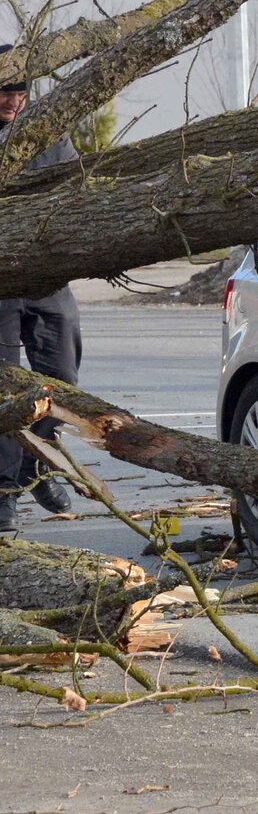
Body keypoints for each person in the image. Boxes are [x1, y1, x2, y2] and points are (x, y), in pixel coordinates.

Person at [0, 43, 82, 530]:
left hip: (48, 280)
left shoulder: (50, 136)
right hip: (1, 285)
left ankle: (39, 461)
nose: (12, 99)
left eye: (19, 89)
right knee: (7, 387)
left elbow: (75, 195)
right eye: (3, 89)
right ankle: (6, 490)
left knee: (63, 384)